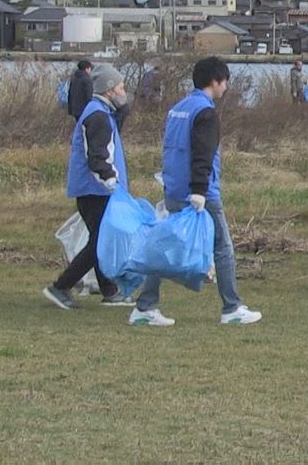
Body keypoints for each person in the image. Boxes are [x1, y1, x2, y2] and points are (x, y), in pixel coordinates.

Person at [130, 57, 261, 326]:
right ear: (215, 81)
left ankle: (145, 306)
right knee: (223, 247)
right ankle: (232, 307)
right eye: (224, 83)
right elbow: (203, 153)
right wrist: (200, 190)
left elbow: (171, 148)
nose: (225, 89)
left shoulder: (178, 108)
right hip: (200, 193)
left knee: (163, 245)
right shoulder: (206, 113)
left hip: (173, 188)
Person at [42, 64, 133, 310]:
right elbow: (98, 156)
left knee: (99, 240)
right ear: (109, 90)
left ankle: (110, 291)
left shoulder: (100, 112)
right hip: (96, 190)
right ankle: (60, 286)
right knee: (100, 242)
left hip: (94, 189)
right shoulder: (99, 116)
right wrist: (111, 182)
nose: (125, 92)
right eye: (121, 87)